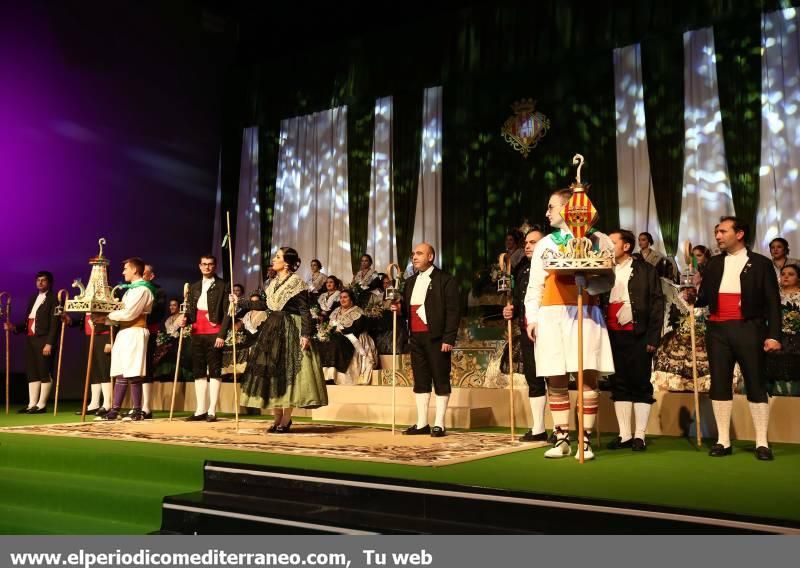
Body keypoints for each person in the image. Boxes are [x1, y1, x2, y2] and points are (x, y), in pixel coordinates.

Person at [525, 189, 615, 460]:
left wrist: (587, 282)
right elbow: (535, 286)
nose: (546, 212)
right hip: (551, 315)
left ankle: (584, 440)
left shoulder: (599, 239)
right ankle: (561, 436)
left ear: (568, 208)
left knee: (586, 376)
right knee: (555, 376)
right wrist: (532, 318)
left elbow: (609, 279)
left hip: (584, 313)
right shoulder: (546, 244)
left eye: (551, 206)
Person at [687, 217, 782, 461]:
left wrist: (774, 335)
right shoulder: (714, 264)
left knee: (755, 383)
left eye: (722, 231)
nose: (717, 236)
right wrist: (691, 295)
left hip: (749, 328)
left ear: (739, 234)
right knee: (719, 383)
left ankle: (761, 441)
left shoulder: (760, 263)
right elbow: (705, 298)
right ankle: (723, 440)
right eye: (716, 231)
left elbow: (773, 302)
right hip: (718, 331)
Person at [235, 247, 327, 432]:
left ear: (286, 263)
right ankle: (277, 417)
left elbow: (304, 310)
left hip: (291, 328)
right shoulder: (273, 283)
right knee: (271, 372)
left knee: (289, 372)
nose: (273, 259)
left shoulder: (296, 282)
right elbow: (264, 304)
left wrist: (306, 334)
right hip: (272, 327)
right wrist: (240, 301)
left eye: (277, 257)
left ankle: (286, 418)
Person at [391, 243, 461, 437]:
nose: (414, 257)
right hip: (416, 336)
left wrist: (449, 338)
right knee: (420, 380)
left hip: (437, 337)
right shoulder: (410, 282)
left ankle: (439, 423)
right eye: (413, 253)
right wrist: (399, 309)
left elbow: (453, 311)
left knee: (440, 378)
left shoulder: (445, 280)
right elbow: (407, 309)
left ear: (430, 257)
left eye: (419, 253)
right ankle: (422, 423)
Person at [605, 230, 664, 452]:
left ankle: (640, 435)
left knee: (640, 383)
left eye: (612, 243)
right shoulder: (603, 270)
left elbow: (658, 304)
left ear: (627, 246)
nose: (608, 247)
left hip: (638, 334)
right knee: (619, 383)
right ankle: (624, 435)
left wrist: (653, 337)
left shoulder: (646, 270)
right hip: (611, 334)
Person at [501, 227, 549, 442]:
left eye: (533, 242)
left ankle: (561, 429)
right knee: (534, 378)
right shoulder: (521, 269)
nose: (528, 246)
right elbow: (521, 301)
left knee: (555, 379)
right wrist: (511, 310)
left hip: (550, 329)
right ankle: (538, 428)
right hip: (528, 331)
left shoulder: (552, 267)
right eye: (527, 243)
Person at [94, 258, 156, 421]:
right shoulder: (131, 290)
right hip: (124, 331)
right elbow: (121, 312)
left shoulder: (143, 290)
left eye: (126, 269)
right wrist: (104, 319)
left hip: (135, 331)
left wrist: (108, 316)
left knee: (133, 371)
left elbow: (130, 314)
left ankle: (137, 410)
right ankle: (115, 410)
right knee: (120, 370)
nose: (123, 272)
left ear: (135, 270)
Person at [182, 255, 231, 422]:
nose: (207, 267)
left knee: (215, 370)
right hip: (197, 333)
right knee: (199, 371)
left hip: (214, 333)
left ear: (215, 266)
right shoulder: (194, 287)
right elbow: (190, 312)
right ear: (199, 266)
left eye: (210, 264)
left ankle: (212, 410)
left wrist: (222, 335)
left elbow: (227, 313)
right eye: (204, 264)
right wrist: (185, 320)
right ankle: (200, 409)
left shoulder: (224, 285)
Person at [4, 271, 59, 413]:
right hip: (31, 339)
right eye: (38, 280)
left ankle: (41, 405)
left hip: (44, 339)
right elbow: (28, 321)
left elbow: (55, 323)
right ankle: (32, 404)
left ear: (49, 283)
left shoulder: (54, 299)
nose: (40, 283)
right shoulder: (33, 297)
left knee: (44, 371)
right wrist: (14, 327)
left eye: (43, 280)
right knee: (32, 372)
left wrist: (50, 343)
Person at [315, 289, 376, 385]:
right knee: (320, 341)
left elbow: (357, 329)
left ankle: (333, 375)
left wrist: (341, 330)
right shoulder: (335, 311)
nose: (342, 299)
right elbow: (329, 326)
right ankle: (322, 375)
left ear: (351, 299)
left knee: (336, 342)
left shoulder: (357, 311)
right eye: (341, 297)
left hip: (349, 338)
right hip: (335, 336)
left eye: (345, 297)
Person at [64, 312, 112, 416]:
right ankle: (94, 403)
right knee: (94, 371)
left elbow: (114, 319)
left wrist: (110, 340)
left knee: (104, 369)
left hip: (104, 335)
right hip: (90, 335)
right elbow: (85, 318)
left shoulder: (110, 295)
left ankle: (107, 403)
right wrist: (70, 321)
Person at [766, 264, 800, 396]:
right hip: (777, 339)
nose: (785, 276)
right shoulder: (773, 296)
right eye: (783, 274)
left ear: (798, 278)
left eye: (791, 274)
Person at [139, 263, 166, 419]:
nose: (141, 276)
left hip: (149, 330)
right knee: (134, 368)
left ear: (151, 276)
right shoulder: (131, 289)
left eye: (144, 273)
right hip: (131, 332)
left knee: (146, 366)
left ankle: (146, 407)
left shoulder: (158, 291)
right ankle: (136, 405)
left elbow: (158, 312)